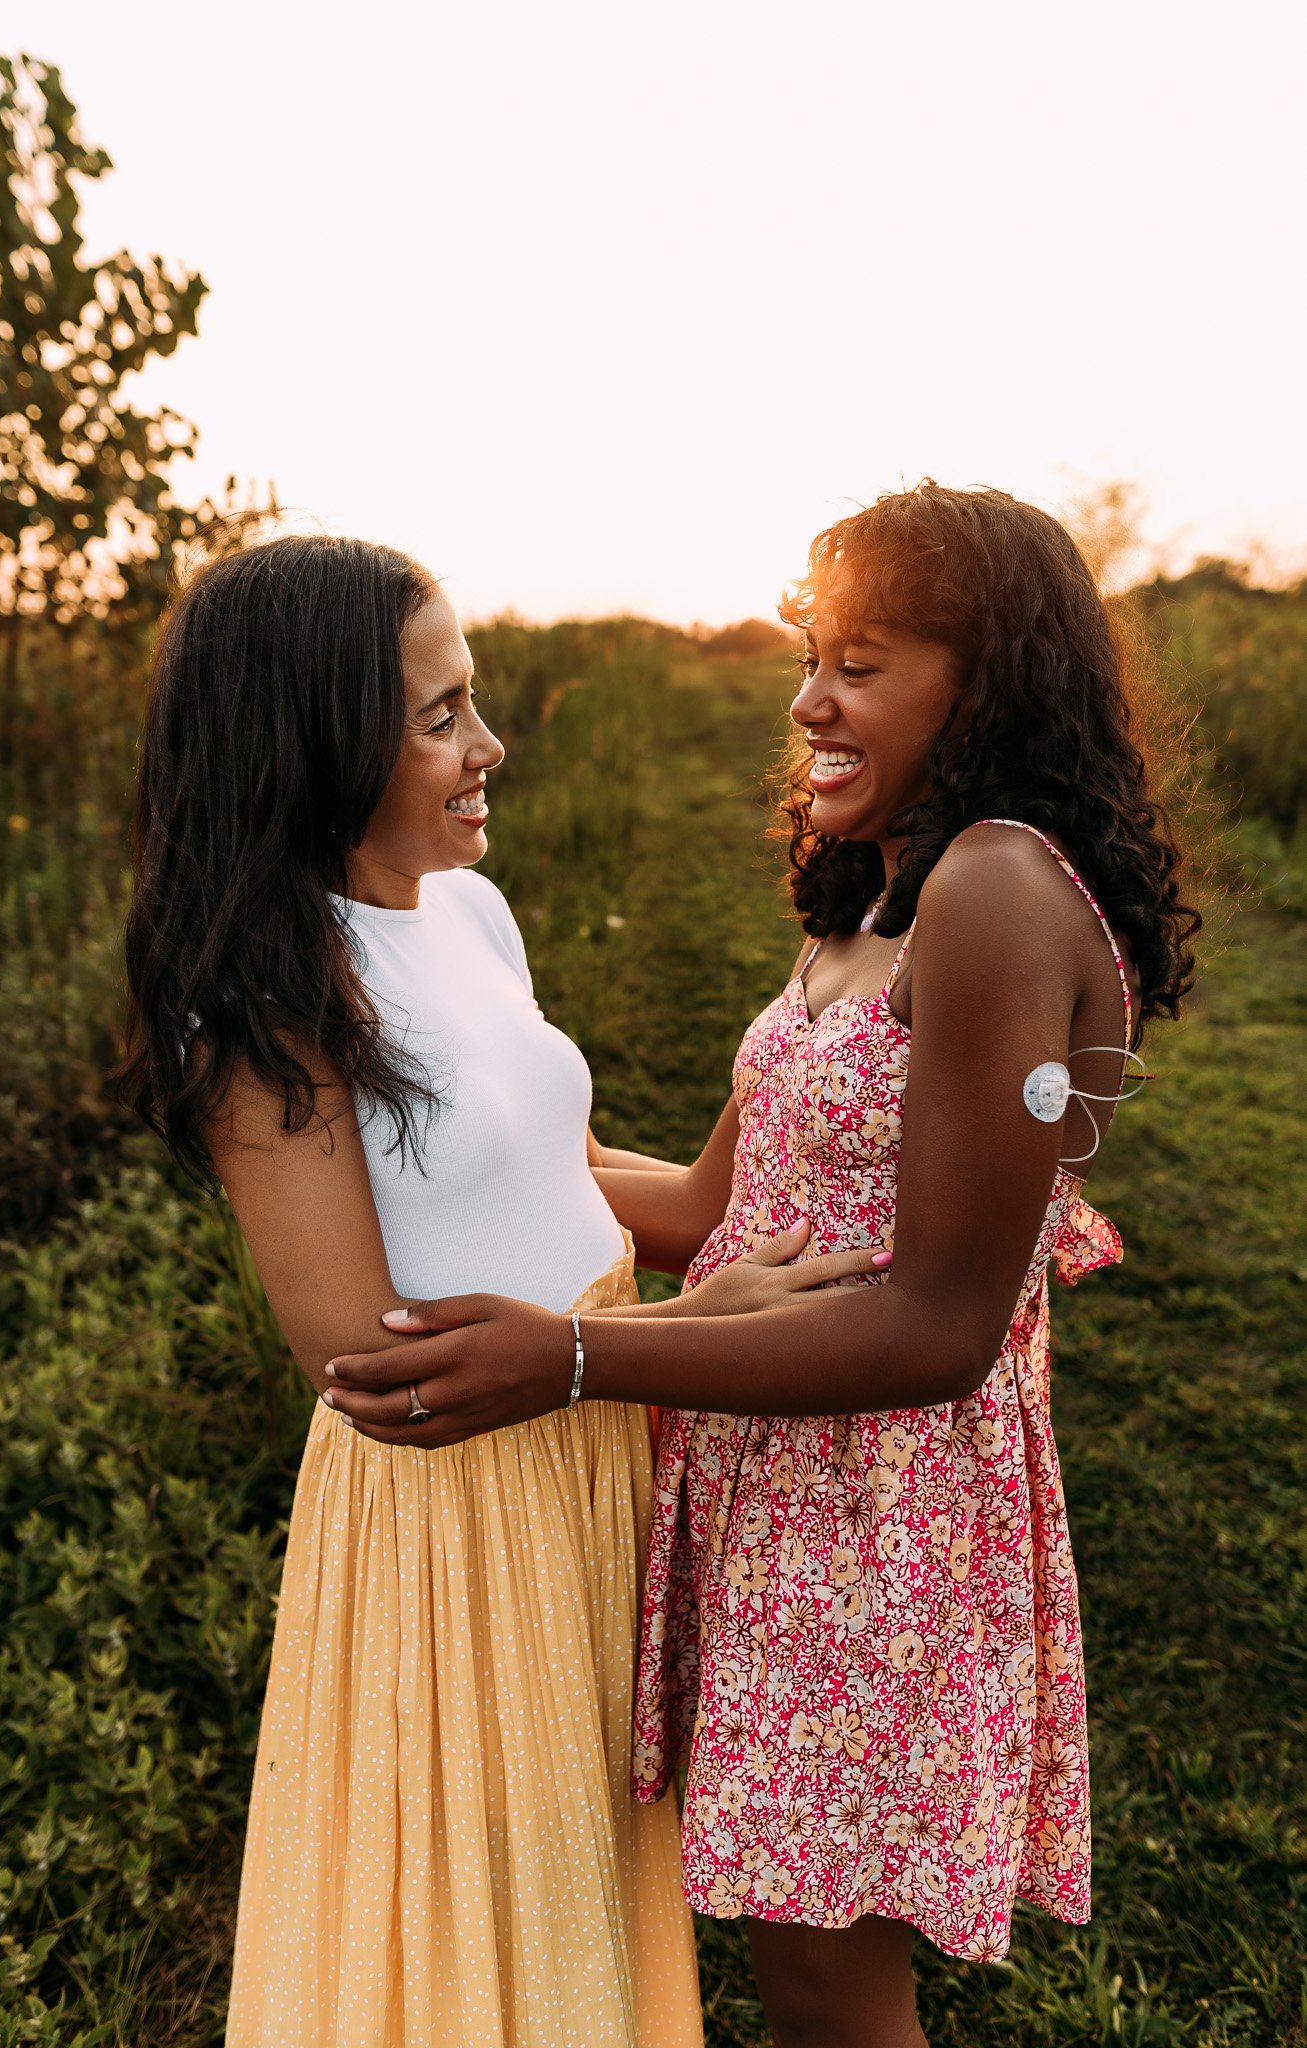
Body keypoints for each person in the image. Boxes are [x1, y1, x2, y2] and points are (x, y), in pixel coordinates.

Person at [323, 484, 1201, 2047]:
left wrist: (579, 1358)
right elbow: (715, 1209)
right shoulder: (884, 892)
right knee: (792, 1962)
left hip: (886, 1518)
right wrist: (448, 1132)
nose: (809, 699)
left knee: (827, 1992)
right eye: (814, 653)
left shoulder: (996, 893)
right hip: (779, 1491)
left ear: (982, 682)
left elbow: (939, 1327)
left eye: (862, 663)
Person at [117, 534, 711, 2048]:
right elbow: (370, 1363)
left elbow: (560, 1170)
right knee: (480, 1927)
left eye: (474, 700)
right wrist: (656, 1344)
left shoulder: (473, 915)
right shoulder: (270, 996)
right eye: (440, 716)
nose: (487, 745)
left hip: (582, 1447)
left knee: (587, 1884)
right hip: (464, 1519)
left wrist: (744, 1193)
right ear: (318, 745)